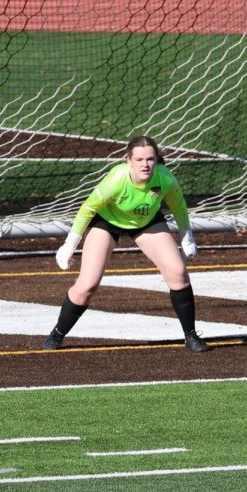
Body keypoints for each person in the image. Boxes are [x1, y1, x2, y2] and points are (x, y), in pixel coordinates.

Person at [44, 135, 209, 353]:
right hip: (107, 222)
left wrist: (187, 238)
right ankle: (57, 334)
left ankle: (191, 336)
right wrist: (69, 245)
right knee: (87, 284)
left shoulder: (165, 178)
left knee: (178, 272)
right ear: (128, 161)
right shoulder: (116, 180)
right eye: (139, 159)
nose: (145, 164)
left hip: (147, 221)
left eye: (150, 159)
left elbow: (179, 207)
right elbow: (87, 209)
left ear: (156, 160)